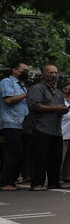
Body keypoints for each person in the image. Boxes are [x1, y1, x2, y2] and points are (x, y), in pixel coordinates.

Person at [27, 64, 70, 191]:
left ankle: (53, 182)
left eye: (55, 73)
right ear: (43, 74)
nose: (54, 75)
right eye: (50, 72)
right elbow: (34, 106)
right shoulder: (36, 89)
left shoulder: (59, 93)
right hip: (41, 128)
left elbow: (60, 107)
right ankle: (37, 183)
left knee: (55, 159)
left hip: (56, 129)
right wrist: (55, 108)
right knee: (39, 158)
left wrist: (64, 110)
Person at [1, 61, 30, 191]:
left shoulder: (22, 85)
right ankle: (5, 182)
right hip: (10, 122)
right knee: (13, 152)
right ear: (14, 70)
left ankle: (13, 180)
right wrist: (26, 94)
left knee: (21, 153)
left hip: (22, 124)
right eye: (24, 70)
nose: (26, 73)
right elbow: (8, 100)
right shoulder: (7, 82)